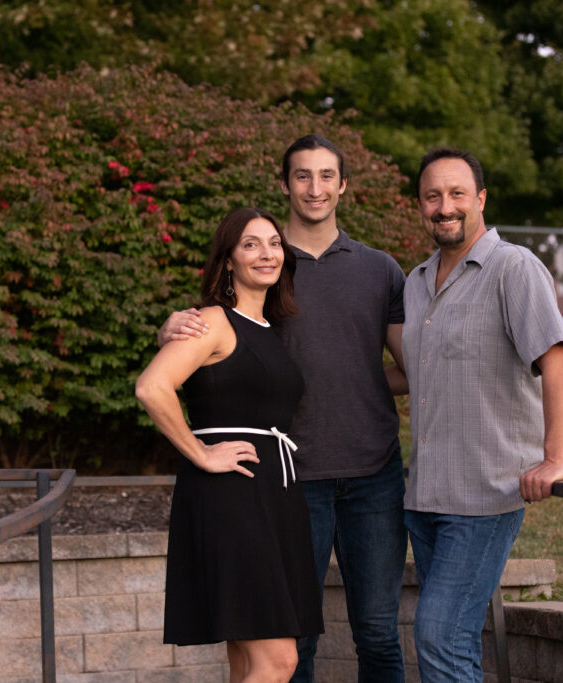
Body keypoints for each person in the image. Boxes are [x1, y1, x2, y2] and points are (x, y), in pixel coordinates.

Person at [160, 135, 409, 682]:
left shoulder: (380, 270)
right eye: (302, 176)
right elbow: (211, 342)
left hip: (373, 472)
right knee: (294, 647)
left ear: (344, 185)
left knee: (378, 633)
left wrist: (358, 382)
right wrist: (169, 327)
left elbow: (407, 370)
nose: (315, 188)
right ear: (285, 184)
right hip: (291, 480)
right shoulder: (269, 271)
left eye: (326, 176)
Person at [402, 147, 563, 682]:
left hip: (485, 495)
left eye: (457, 193)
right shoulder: (415, 281)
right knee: (453, 640)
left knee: (437, 633)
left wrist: (555, 458)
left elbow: (558, 361)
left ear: (480, 199)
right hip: (425, 497)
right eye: (433, 196)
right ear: (420, 206)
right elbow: (415, 371)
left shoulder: (513, 268)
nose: (445, 205)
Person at [136, 207, 323, 682]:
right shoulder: (213, 321)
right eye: (250, 244)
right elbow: (152, 387)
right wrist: (200, 452)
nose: (267, 253)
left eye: (275, 243)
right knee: (279, 661)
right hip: (232, 496)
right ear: (228, 262)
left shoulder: (268, 330)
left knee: (248, 661)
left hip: (272, 495)